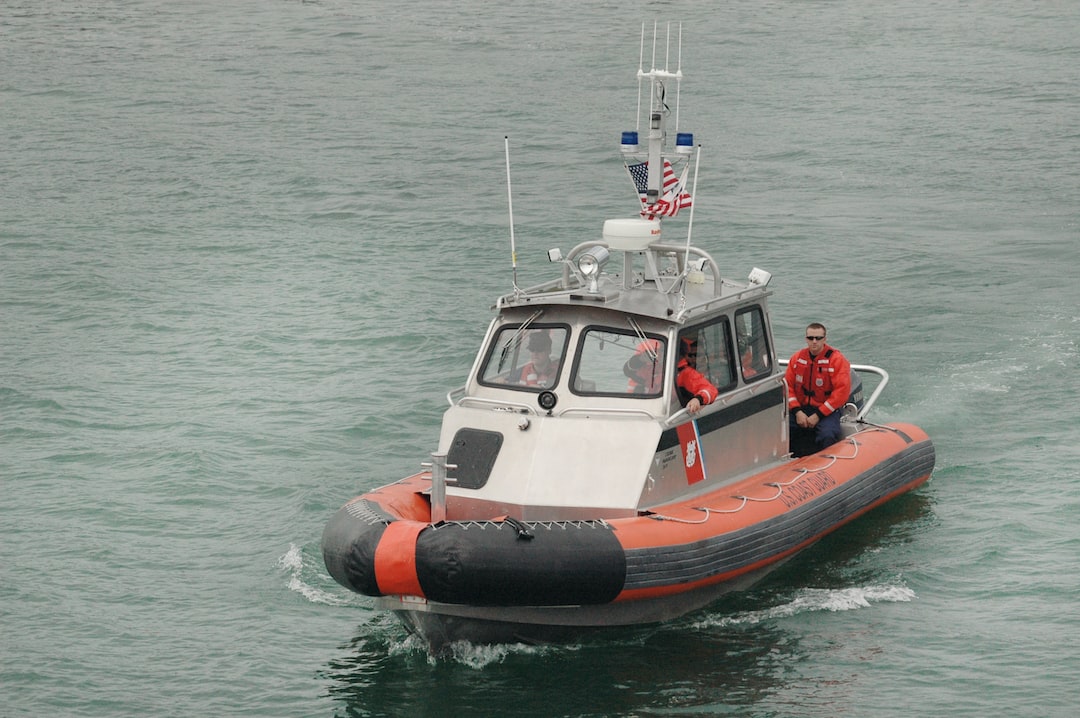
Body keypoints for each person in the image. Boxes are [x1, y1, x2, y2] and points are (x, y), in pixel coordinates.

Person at [784, 323, 851, 457]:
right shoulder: (797, 359)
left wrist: (819, 415)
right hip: (800, 409)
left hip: (826, 411)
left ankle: (826, 467)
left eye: (818, 338)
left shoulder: (836, 360)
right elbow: (787, 387)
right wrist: (797, 411)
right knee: (781, 431)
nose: (814, 341)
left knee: (828, 434)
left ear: (824, 339)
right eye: (811, 338)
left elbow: (841, 392)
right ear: (806, 339)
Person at [675, 337, 718, 414]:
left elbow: (711, 390)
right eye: (691, 355)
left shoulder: (687, 373)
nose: (693, 359)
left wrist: (698, 399)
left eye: (696, 355)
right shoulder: (657, 371)